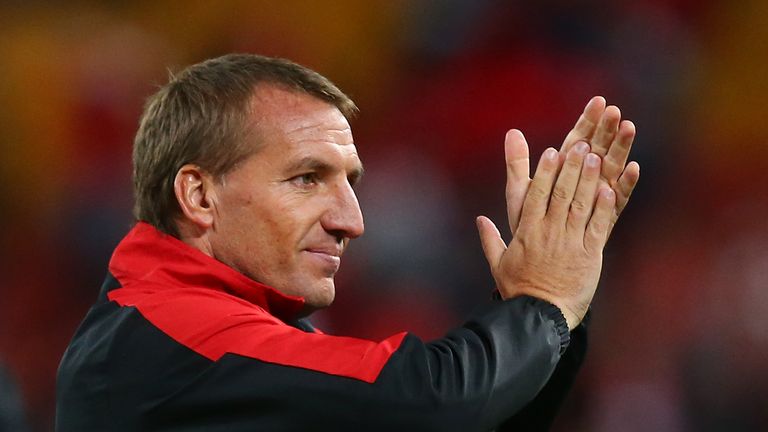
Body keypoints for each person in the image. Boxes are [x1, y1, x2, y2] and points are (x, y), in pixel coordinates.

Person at [56, 54, 639, 431]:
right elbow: (427, 400)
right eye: (307, 178)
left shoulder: (211, 338)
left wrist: (555, 310)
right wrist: (540, 305)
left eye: (350, 182)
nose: (351, 220)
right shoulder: (178, 332)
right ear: (200, 196)